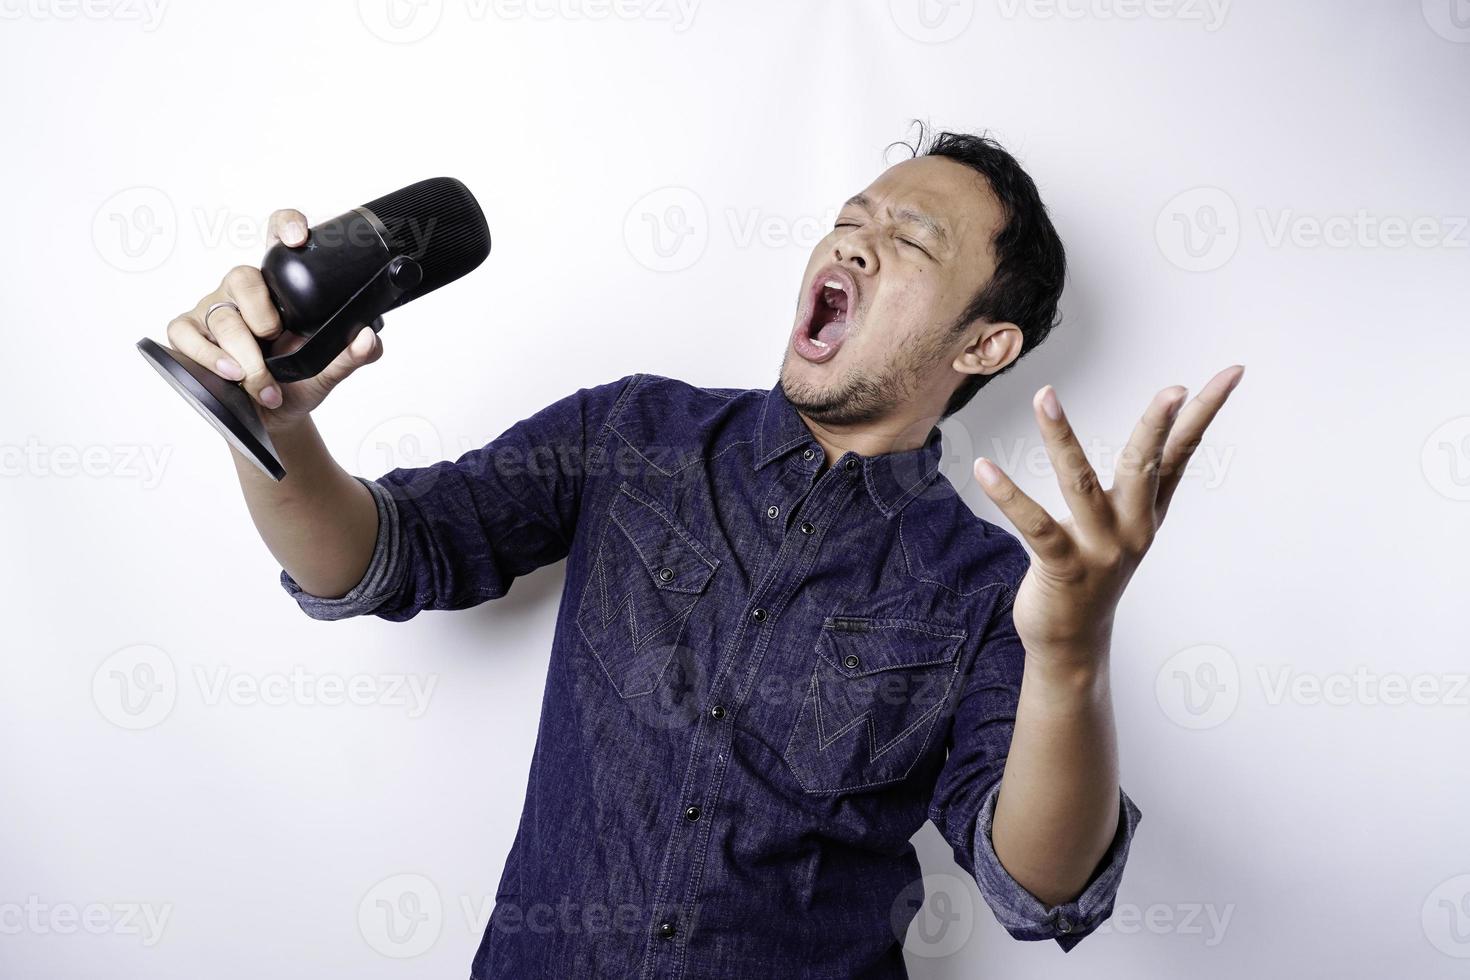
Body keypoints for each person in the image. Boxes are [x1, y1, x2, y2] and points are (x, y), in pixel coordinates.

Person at [163, 125, 1242, 979]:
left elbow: (1038, 887)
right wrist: (273, 420)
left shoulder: (988, 589)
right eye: (847, 221)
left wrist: (1072, 650)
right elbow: (374, 560)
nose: (850, 243)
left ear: (983, 343)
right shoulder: (629, 432)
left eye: (910, 239)